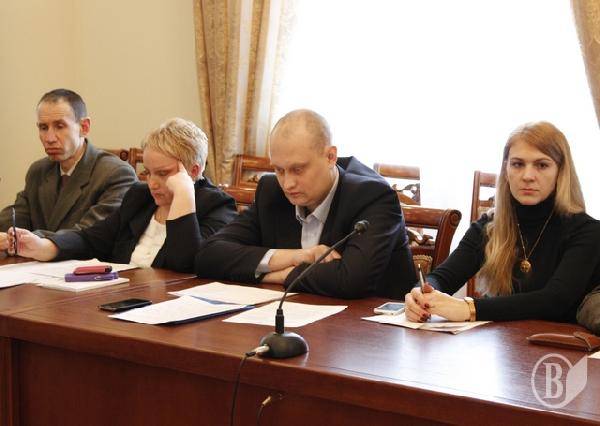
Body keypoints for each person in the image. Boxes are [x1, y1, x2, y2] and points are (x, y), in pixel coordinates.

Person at [195, 109, 415, 299]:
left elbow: (351, 279)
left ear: (330, 157)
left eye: (298, 169)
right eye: (279, 170)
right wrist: (296, 256)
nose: (287, 183)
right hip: (294, 316)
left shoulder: (372, 195)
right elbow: (208, 255)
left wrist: (277, 274)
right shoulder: (271, 191)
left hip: (369, 327)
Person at [405, 121, 600, 323]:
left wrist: (469, 309)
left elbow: (555, 300)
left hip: (563, 341)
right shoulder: (489, 226)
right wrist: (420, 295)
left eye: (542, 165)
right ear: (506, 170)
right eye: (518, 164)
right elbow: (443, 277)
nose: (528, 176)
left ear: (561, 171)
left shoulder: (587, 231)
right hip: (507, 339)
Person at [10, 118, 238, 272]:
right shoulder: (140, 197)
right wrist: (44, 246)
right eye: (148, 172)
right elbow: (92, 239)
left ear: (194, 171)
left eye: (163, 173)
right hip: (124, 300)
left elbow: (185, 265)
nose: (152, 183)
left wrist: (184, 195)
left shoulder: (218, 206)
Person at [0, 88, 137, 252]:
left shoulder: (116, 174)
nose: (49, 138)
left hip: (91, 264)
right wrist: (9, 234)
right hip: (37, 264)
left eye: (59, 126)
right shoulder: (38, 170)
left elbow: (88, 235)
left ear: (84, 127)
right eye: (43, 127)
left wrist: (23, 240)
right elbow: (16, 216)